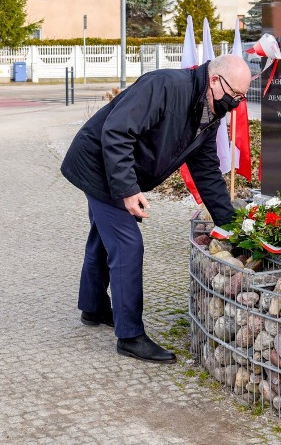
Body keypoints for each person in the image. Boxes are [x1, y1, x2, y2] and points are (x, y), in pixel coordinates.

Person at [61, 54, 252, 364]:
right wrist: (128, 190)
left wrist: (232, 226)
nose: (238, 103)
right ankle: (130, 336)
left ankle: (93, 307)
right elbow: (117, 133)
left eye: (243, 97)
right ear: (215, 80)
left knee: (103, 235)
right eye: (236, 95)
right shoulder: (165, 86)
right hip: (99, 165)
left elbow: (206, 171)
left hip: (116, 170)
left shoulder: (210, 112)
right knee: (127, 244)